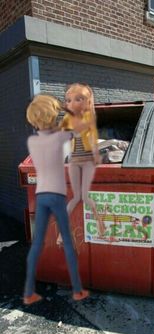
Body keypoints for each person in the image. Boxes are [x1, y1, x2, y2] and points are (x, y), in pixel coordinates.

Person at [23, 94, 89, 305]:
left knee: (37, 243)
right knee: (68, 242)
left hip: (41, 195)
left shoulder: (34, 141)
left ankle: (29, 291)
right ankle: (77, 289)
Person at [56, 83, 105, 246]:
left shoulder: (88, 117)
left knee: (84, 197)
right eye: (69, 100)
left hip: (87, 161)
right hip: (74, 161)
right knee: (77, 197)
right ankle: (62, 234)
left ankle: (100, 223)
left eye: (78, 99)